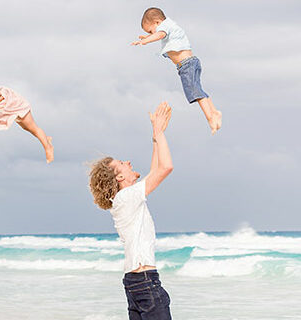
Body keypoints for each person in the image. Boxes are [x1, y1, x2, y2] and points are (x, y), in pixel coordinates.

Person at [89, 102, 175, 319]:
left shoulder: (125, 199)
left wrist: (157, 134)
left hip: (135, 282)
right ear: (119, 177)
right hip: (145, 281)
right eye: (122, 163)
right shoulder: (127, 197)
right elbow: (165, 168)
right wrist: (157, 131)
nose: (128, 161)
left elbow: (155, 168)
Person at [131, 7, 222, 135]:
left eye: (151, 31)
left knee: (195, 92)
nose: (153, 34)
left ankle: (210, 119)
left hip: (186, 65)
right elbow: (159, 34)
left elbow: (160, 34)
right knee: (199, 90)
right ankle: (214, 112)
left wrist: (145, 41)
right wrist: (148, 36)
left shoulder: (165, 27)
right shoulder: (169, 25)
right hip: (190, 62)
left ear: (157, 22)